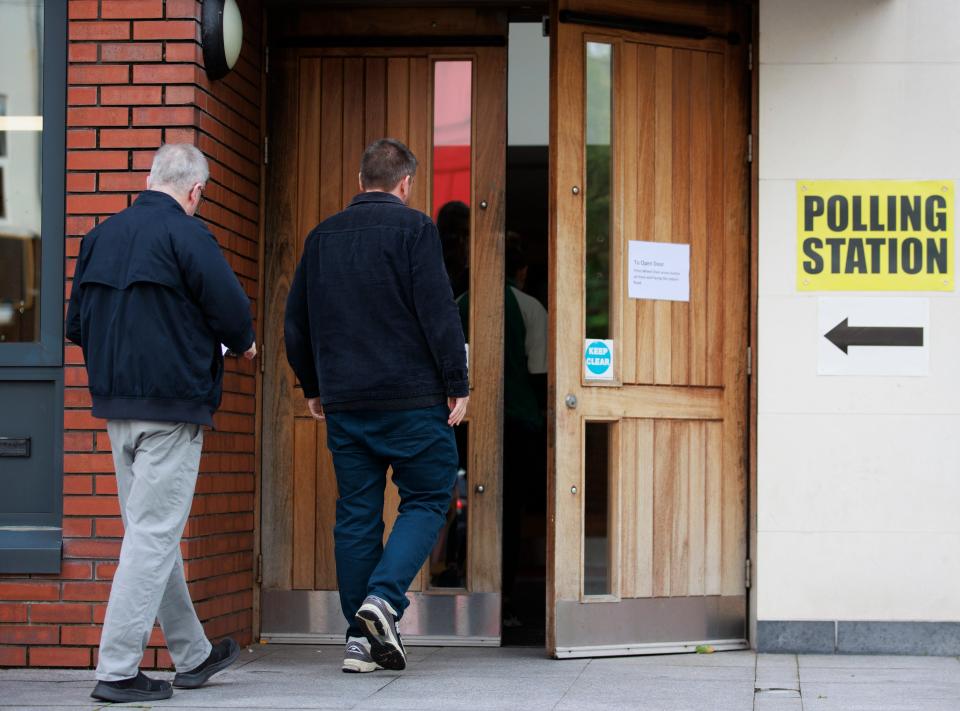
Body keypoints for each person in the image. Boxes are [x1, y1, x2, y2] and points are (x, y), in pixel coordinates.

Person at [66, 144, 256, 703]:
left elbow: (77, 323)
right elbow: (232, 311)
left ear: (150, 178)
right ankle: (118, 669)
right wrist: (242, 344)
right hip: (171, 409)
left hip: (115, 406)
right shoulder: (188, 235)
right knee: (153, 535)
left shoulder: (99, 237)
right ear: (195, 191)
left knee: (151, 531)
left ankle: (193, 654)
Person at [284, 138, 468, 674]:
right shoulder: (416, 230)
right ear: (405, 183)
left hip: (346, 403)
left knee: (357, 514)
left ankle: (359, 642)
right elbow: (438, 312)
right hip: (412, 400)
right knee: (431, 496)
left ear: (361, 179)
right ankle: (382, 602)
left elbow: (295, 323)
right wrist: (457, 382)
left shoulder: (321, 238)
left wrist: (313, 386)